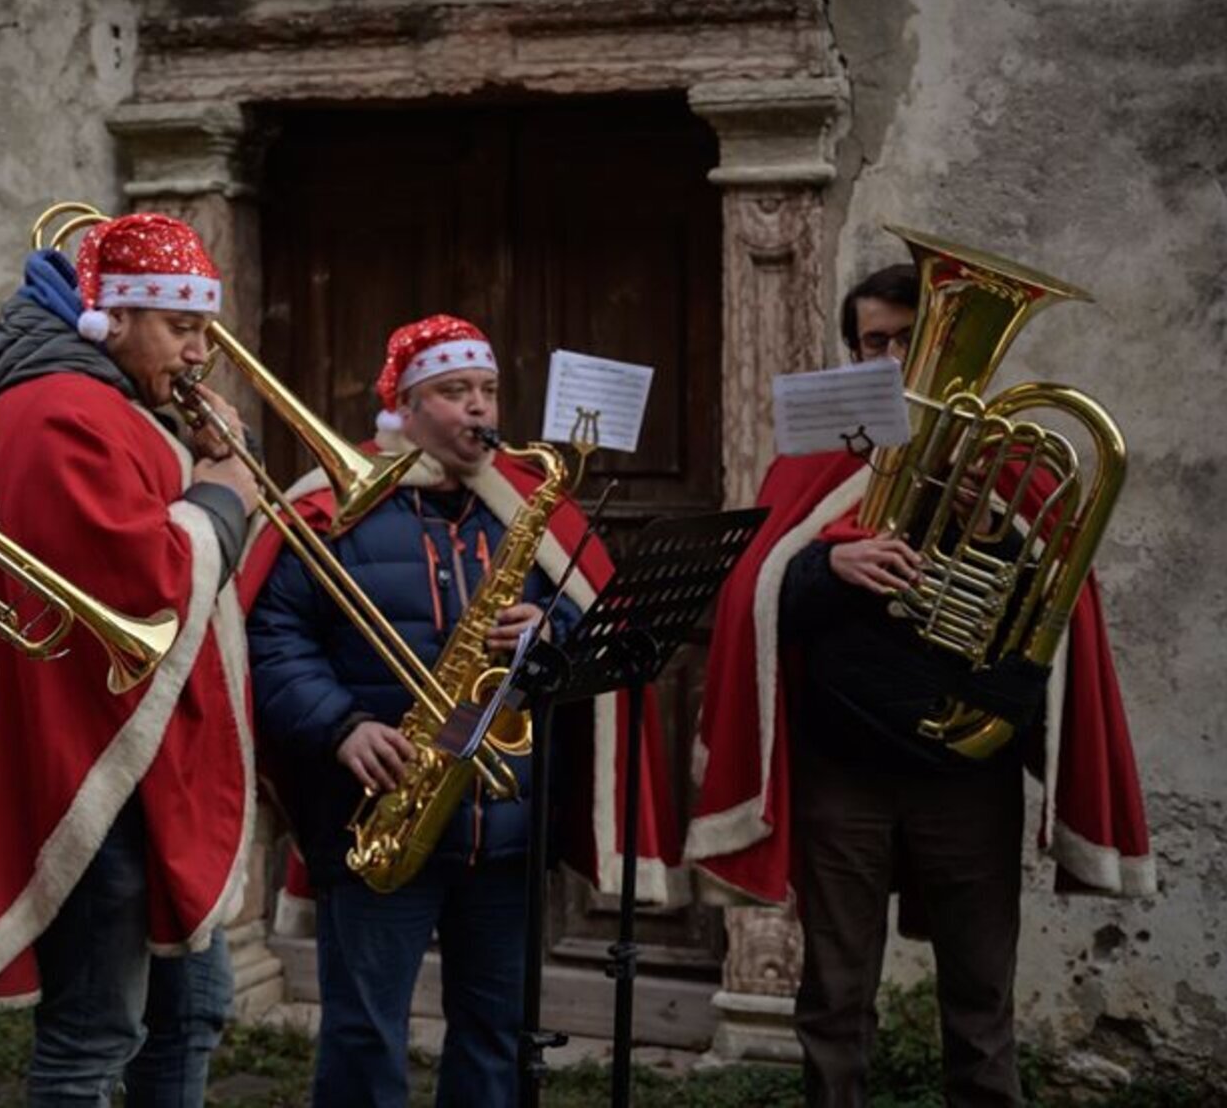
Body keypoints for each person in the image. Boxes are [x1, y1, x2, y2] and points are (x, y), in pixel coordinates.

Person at [686, 263, 1156, 1107]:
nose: (898, 359)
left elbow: (1059, 613)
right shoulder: (814, 463)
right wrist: (828, 566)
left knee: (980, 1001)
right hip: (841, 774)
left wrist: (994, 528)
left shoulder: (1012, 463)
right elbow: (753, 597)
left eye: (912, 338)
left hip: (966, 775)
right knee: (835, 996)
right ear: (853, 354)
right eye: (877, 342)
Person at [242, 314, 684, 1108]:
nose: (479, 408)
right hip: (377, 809)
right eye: (454, 391)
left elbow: (590, 623)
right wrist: (342, 726)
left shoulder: (526, 509)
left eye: (487, 390)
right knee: (364, 1032)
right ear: (405, 407)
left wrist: (554, 627)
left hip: (504, 825)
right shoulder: (332, 505)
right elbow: (273, 638)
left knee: (497, 1032)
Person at [0, 212, 261, 1106]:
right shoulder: (60, 410)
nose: (201, 353)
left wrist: (201, 465)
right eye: (182, 327)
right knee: (95, 1037)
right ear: (111, 318)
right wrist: (223, 497)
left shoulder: (107, 401)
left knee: (190, 1012)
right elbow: (141, 581)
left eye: (205, 329)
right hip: (99, 772)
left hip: (148, 766)